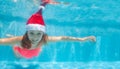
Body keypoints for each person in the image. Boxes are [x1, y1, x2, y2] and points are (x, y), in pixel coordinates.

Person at [0, 0, 96, 59]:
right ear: (26, 33)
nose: (35, 37)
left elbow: (63, 38)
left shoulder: (45, 39)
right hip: (22, 48)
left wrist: (82, 39)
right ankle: (12, 40)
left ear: (43, 34)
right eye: (32, 33)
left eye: (38, 34)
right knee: (17, 56)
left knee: (36, 52)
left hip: (35, 50)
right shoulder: (20, 40)